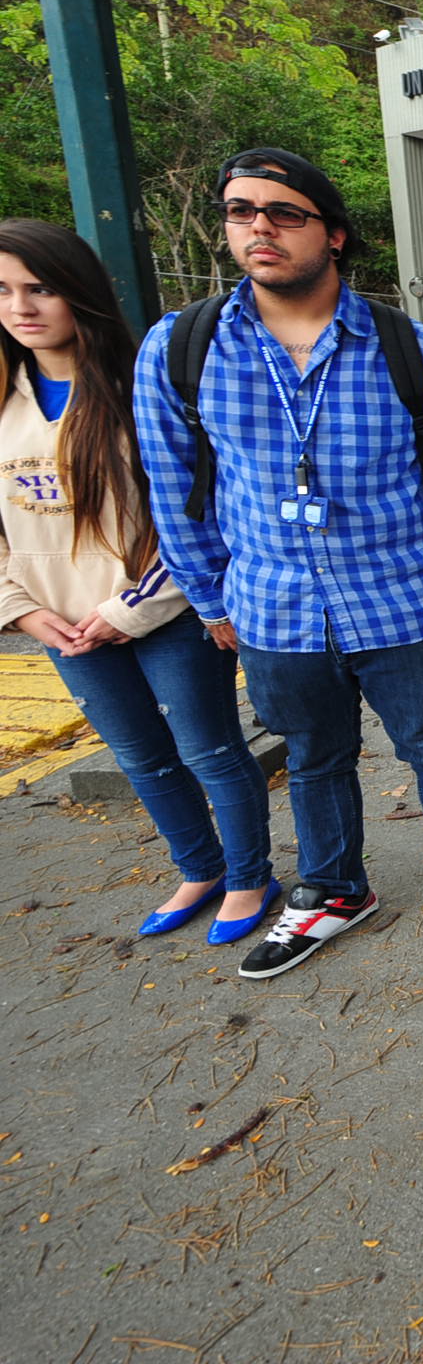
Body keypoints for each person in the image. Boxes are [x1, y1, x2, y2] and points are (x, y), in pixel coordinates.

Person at [134, 147, 423, 980]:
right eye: (241, 211)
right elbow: (173, 486)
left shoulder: (411, 351)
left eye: (284, 213)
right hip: (271, 605)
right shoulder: (181, 349)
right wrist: (208, 597)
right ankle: (336, 889)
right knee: (313, 755)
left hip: (402, 598)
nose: (259, 227)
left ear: (333, 235)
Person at [0, 219, 277, 944]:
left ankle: (250, 876)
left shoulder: (137, 384)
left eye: (39, 288)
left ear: (79, 293)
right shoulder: (3, 397)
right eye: (3, 291)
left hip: (163, 612)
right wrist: (25, 613)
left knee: (211, 749)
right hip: (61, 625)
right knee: (139, 757)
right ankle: (200, 868)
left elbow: (195, 509)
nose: (21, 307)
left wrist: (132, 607)